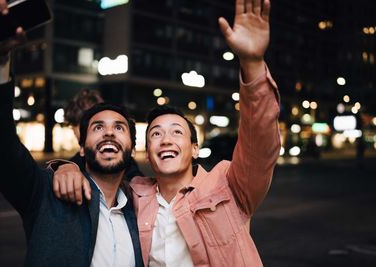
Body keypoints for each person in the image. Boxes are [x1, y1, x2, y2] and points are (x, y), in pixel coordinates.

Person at [54, 0, 281, 265]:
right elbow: (99, 173)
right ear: (148, 154)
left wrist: (252, 64)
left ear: (195, 148)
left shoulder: (229, 186)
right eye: (156, 134)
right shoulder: (133, 196)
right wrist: (65, 166)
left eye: (176, 132)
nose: (166, 140)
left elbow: (259, 144)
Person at [0, 1, 143, 266]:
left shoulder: (145, 209)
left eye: (119, 128)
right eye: (97, 127)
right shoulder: (44, 194)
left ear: (132, 148)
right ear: (81, 145)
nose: (108, 133)